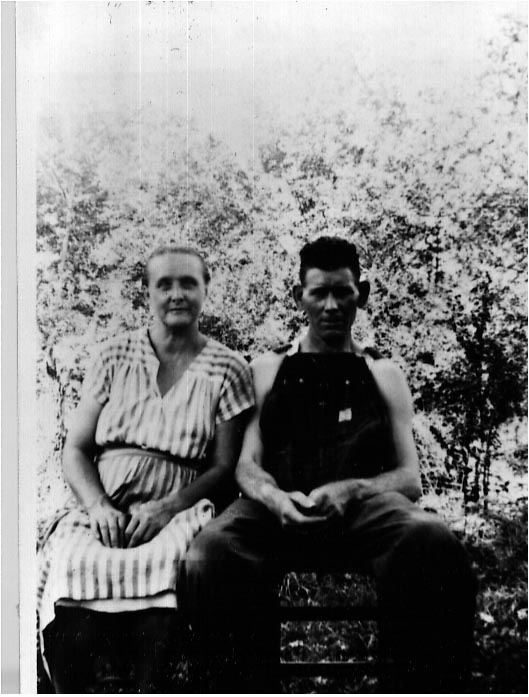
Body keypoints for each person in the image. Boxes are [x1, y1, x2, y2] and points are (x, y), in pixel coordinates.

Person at [180, 236, 476, 693]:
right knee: (210, 553)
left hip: (363, 515)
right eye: (319, 292)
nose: (332, 306)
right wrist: (274, 497)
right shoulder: (267, 368)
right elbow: (247, 465)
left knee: (432, 540)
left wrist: (352, 490)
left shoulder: (383, 374)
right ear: (299, 297)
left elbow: (409, 479)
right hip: (274, 512)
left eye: (343, 291)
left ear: (363, 293)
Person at [37, 245, 254, 693]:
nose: (177, 294)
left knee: (167, 581)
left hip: (180, 507)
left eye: (188, 283)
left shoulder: (228, 368)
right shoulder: (115, 355)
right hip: (107, 505)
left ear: (206, 289)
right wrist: (97, 506)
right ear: (146, 292)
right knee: (71, 567)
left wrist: (169, 508)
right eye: (164, 284)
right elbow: (75, 449)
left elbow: (224, 468)